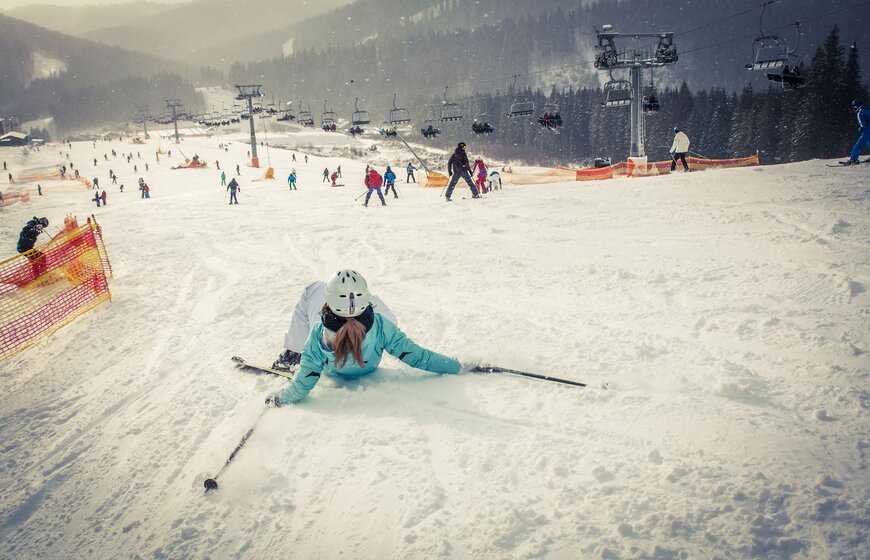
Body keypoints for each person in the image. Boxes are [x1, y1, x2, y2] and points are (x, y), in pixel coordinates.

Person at [265, 270, 461, 406]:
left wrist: (280, 399)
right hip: (368, 361)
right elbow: (420, 357)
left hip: (335, 371)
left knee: (314, 288)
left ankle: (292, 353)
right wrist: (458, 367)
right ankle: (362, 311)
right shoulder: (383, 326)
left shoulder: (317, 336)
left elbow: (302, 385)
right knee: (375, 306)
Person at [847, 99, 870, 165]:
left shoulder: (860, 113)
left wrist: (860, 128)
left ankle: (853, 159)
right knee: (869, 142)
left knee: (858, 144)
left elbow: (863, 125)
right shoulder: (867, 109)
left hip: (868, 130)